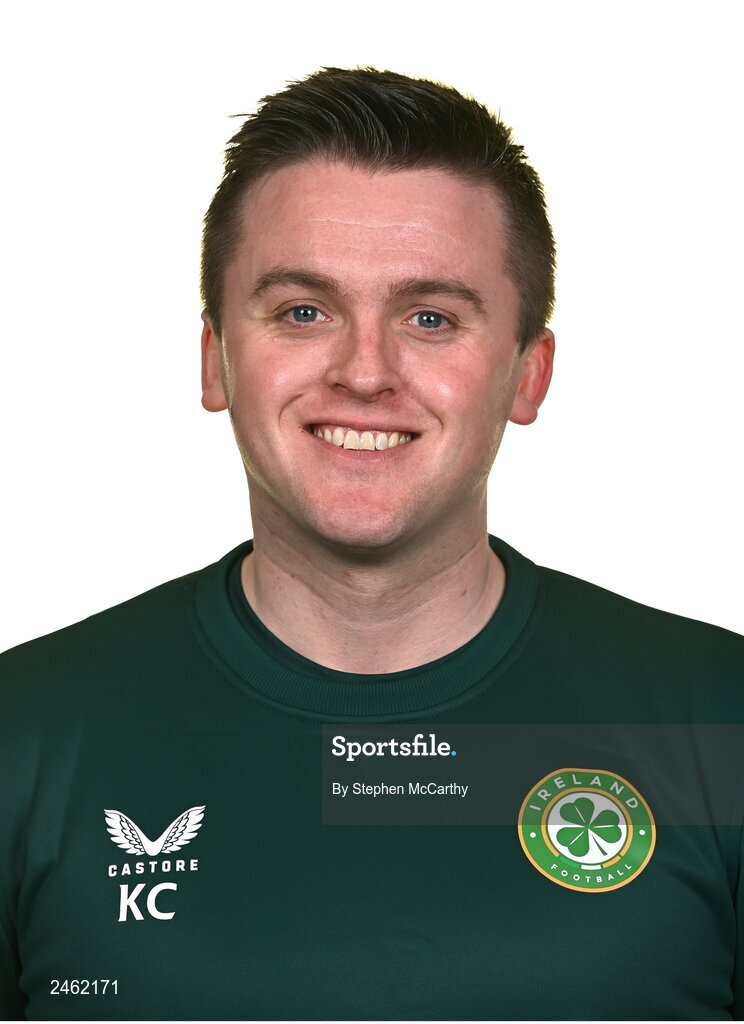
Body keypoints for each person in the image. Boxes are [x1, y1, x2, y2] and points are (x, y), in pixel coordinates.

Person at [1, 66, 743, 1022]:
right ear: (215, 356)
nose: (364, 371)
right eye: (303, 311)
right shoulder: (23, 734)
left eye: (430, 317)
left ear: (528, 375)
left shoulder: (720, 723)